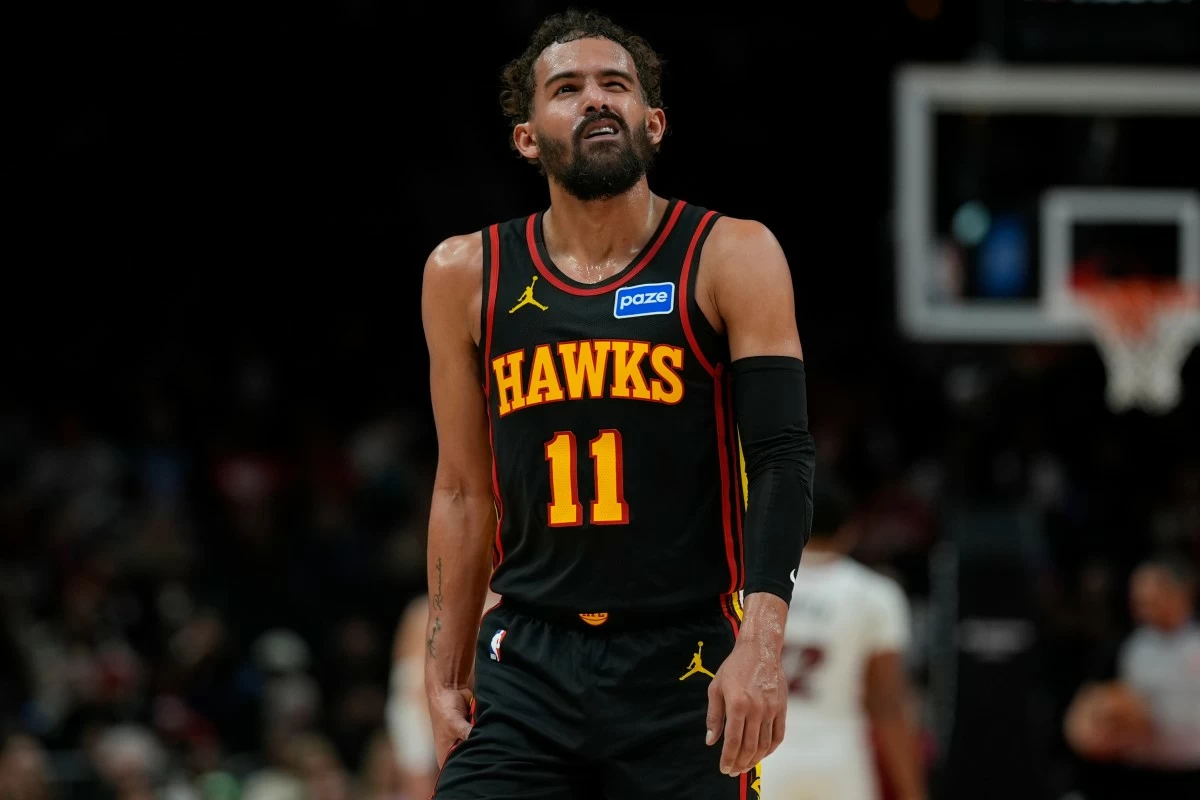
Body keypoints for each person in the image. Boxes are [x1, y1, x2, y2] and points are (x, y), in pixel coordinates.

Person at [419, 9, 816, 799]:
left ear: (654, 122)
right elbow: (464, 489)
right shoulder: (466, 271)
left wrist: (763, 647)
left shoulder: (731, 253)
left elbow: (781, 457)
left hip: (683, 662)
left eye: (616, 86)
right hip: (527, 659)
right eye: (567, 88)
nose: (597, 100)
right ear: (527, 135)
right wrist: (443, 670)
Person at [760, 484, 925, 800]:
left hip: (765, 754)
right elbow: (886, 701)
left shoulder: (756, 589)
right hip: (839, 758)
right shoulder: (875, 594)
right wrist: (914, 792)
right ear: (850, 530)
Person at [1064, 555, 1200, 799]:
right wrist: (1095, 734)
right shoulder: (1125, 647)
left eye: (1150, 598)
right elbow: (1084, 715)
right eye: (1137, 599)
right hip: (1141, 778)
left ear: (1181, 591)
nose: (1140, 606)